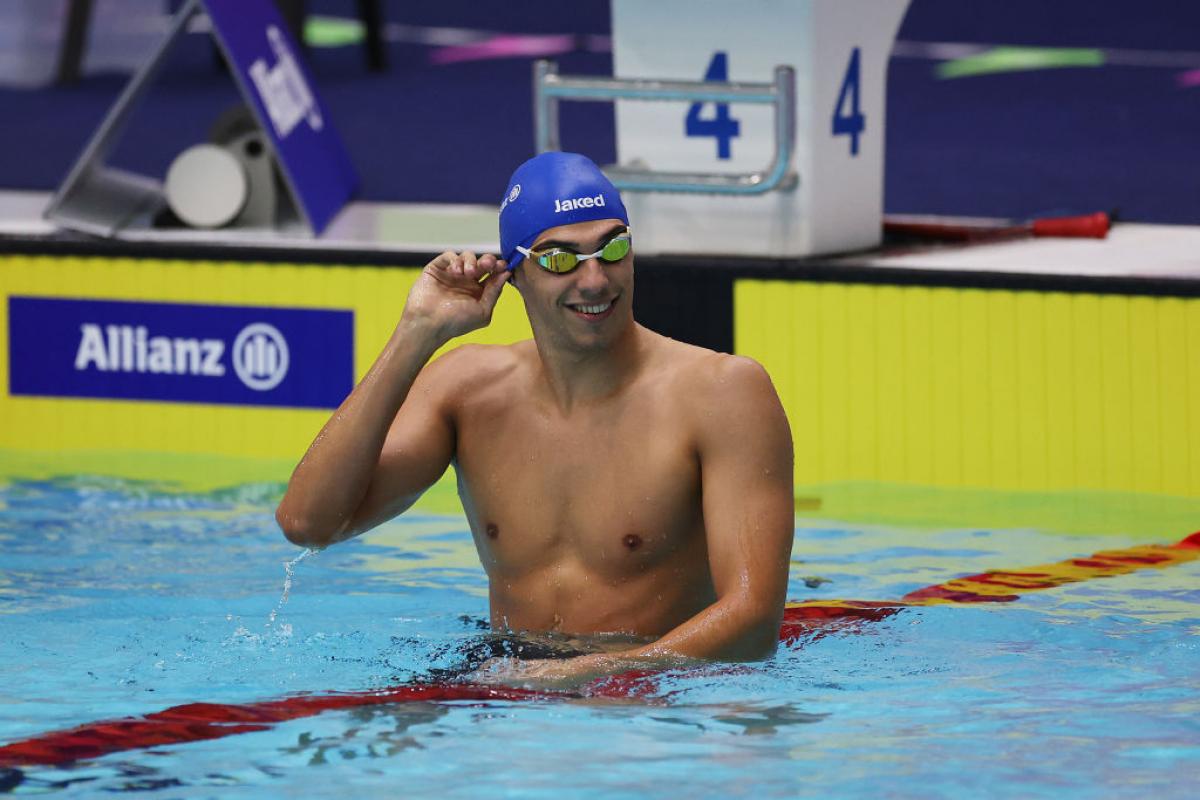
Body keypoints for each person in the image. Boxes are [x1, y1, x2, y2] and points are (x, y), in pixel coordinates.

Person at [276, 152, 794, 687]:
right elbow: (308, 524)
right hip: (509, 683)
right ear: (514, 273)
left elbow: (754, 623)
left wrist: (592, 675)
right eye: (560, 260)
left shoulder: (721, 393)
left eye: (612, 248)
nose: (594, 280)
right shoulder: (468, 390)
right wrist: (417, 334)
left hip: (654, 693)